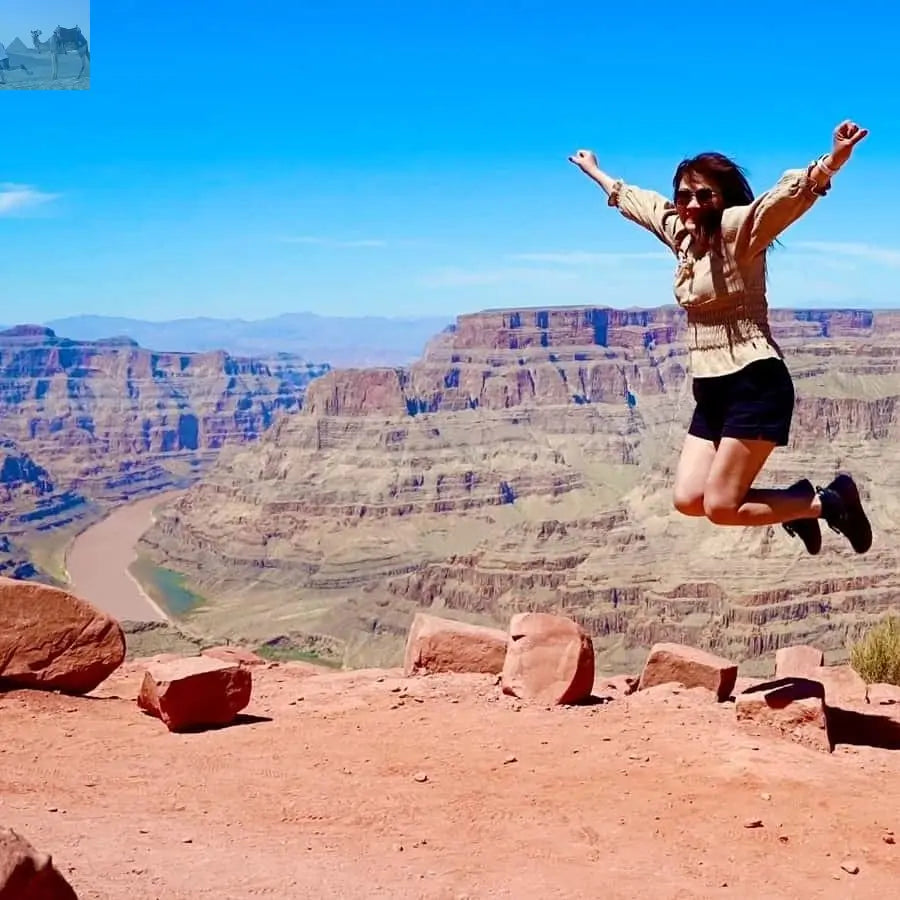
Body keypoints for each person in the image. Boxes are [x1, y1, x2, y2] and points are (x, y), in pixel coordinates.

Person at [568, 120, 872, 555]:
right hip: (711, 387)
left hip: (754, 382)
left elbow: (783, 200)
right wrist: (596, 173)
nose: (692, 203)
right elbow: (643, 205)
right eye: (684, 194)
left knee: (722, 507)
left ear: (723, 198)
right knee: (689, 500)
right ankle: (797, 507)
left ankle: (828, 502)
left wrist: (832, 162)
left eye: (704, 194)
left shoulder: (738, 228)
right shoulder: (682, 235)